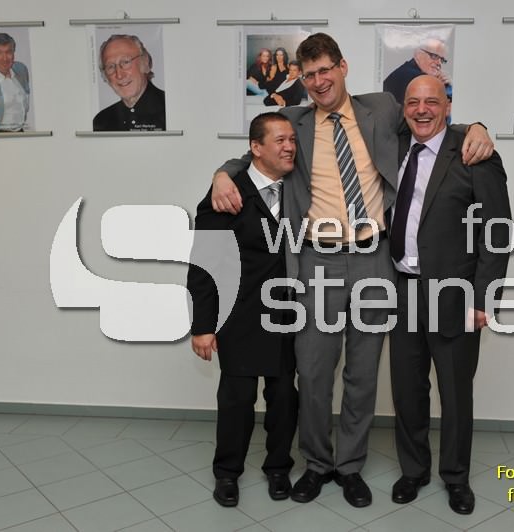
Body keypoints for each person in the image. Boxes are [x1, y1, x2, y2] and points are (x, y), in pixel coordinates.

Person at [211, 32, 494, 509]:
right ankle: (317, 464)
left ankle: (349, 466)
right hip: (316, 260)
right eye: (309, 75)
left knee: (363, 374)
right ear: (302, 79)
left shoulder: (381, 107)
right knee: (313, 372)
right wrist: (223, 172)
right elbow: (253, 152)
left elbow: (429, 119)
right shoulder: (295, 121)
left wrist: (478, 126)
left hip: (374, 259)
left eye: (326, 70)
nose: (319, 81)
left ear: (342, 67)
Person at [388, 75, 511, 515]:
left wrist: (483, 299)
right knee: (407, 390)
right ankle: (414, 470)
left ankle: (456, 477)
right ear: (403, 108)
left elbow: (498, 233)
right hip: (402, 291)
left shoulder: (474, 153)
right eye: (413, 102)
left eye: (431, 102)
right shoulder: (393, 146)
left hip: (455, 295)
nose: (421, 110)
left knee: (456, 394)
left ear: (447, 106)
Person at [187, 112, 299, 507]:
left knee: (284, 397)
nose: (289, 147)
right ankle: (227, 473)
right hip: (239, 315)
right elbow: (203, 265)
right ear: (256, 147)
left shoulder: (299, 189)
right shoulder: (226, 194)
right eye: (280, 140)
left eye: (292, 140)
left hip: (288, 314)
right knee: (237, 399)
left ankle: (278, 467)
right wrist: (202, 326)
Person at [93, 34, 166, 131]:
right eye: (110, 67)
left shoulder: (170, 108)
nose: (119, 75)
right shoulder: (102, 121)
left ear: (145, 63)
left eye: (126, 62)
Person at [383, 37, 452, 106]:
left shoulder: (408, 70)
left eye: (442, 59)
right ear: (418, 54)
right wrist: (439, 87)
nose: (439, 63)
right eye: (434, 56)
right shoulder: (414, 76)